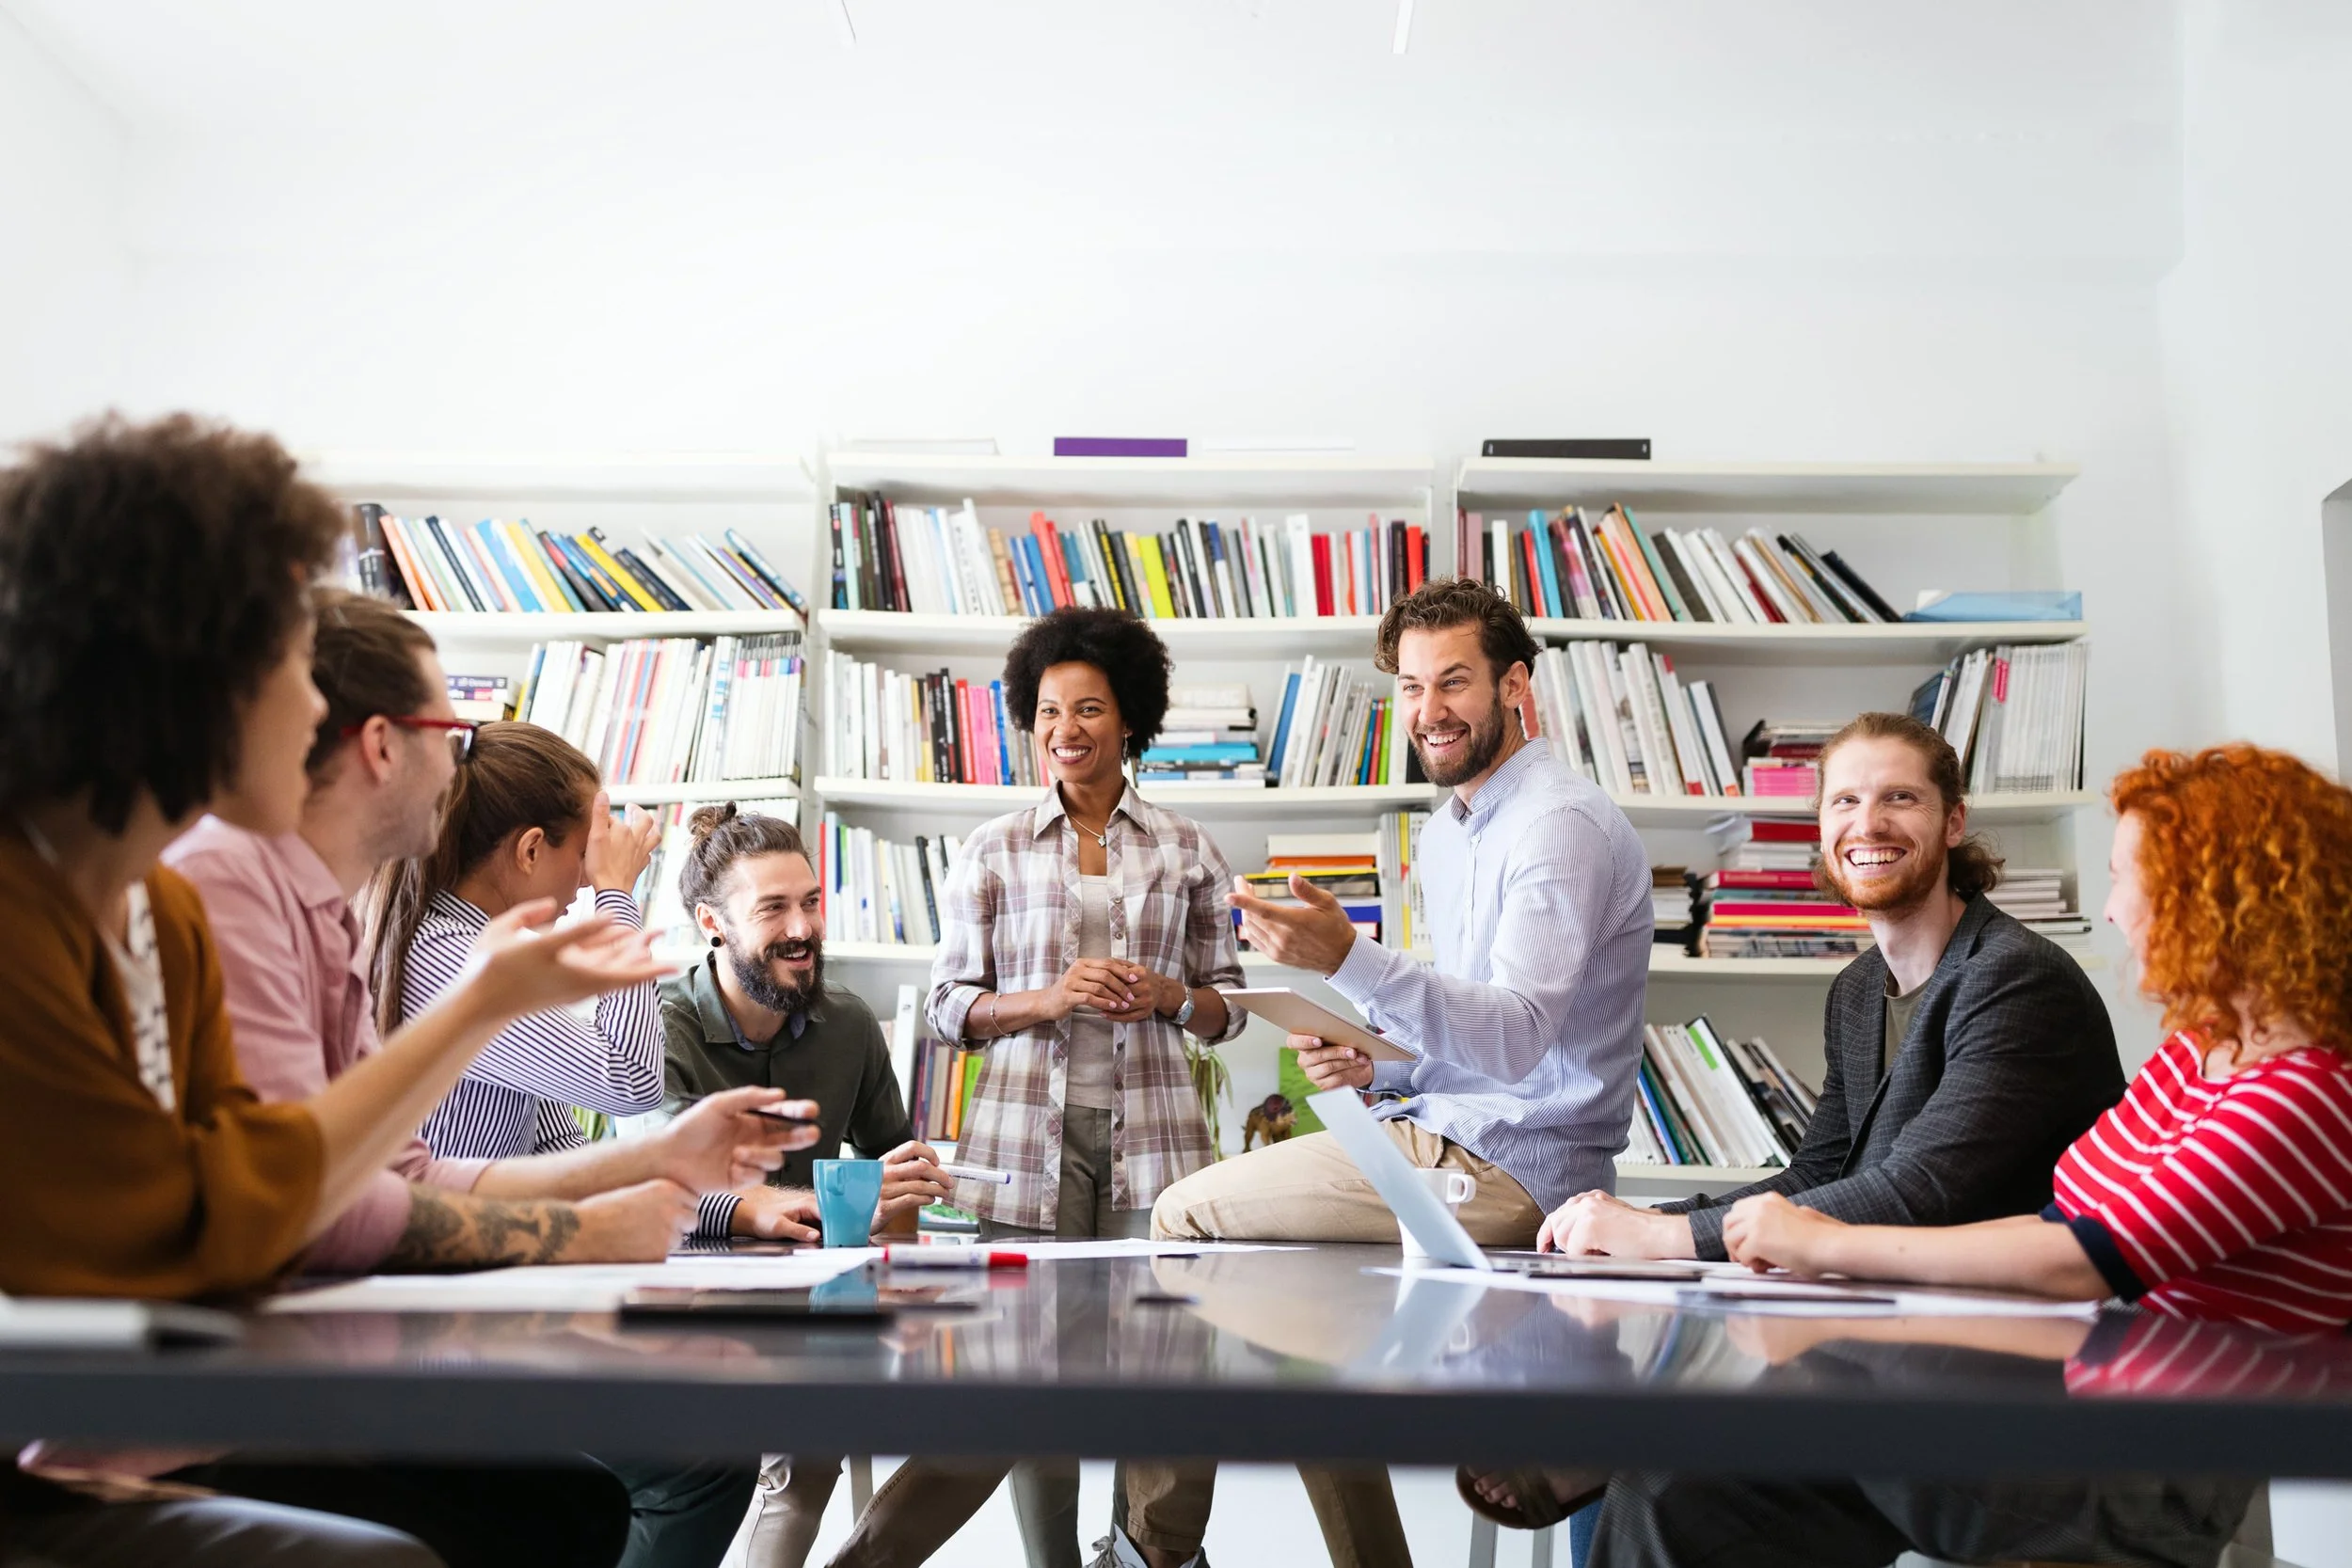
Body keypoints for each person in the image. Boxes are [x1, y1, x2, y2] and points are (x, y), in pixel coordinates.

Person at [0, 414, 668, 1567]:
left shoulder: (158, 917)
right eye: (278, 660)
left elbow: (258, 1208)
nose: (310, 707)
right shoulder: (37, 914)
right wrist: (478, 1010)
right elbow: (207, 1225)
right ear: (177, 673)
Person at [163, 590, 822, 1568]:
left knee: (592, 1492)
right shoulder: (275, 899)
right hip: (251, 1387)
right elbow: (313, 1203)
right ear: (382, 743)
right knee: (597, 1490)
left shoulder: (333, 919)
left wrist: (674, 1167)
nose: (462, 756)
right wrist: (594, 1218)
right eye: (454, 723)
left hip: (339, 1340)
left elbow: (405, 1174)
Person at [1590, 741, 2352, 1568]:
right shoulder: (2195, 1053)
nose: (2113, 907)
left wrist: (1818, 1241)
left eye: (2130, 877)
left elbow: (2083, 1255)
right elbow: (2063, 1214)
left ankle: (1585, 1444)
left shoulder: (2305, 1096)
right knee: (1677, 1488)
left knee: (1801, 1372)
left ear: (2215, 895)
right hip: (2073, 1388)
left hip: (2148, 1466)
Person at [1462, 710, 2127, 1531]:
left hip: (1995, 1387)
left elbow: (1919, 1191)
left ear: (1954, 822)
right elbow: (1818, 1176)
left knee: (1661, 1483)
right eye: (1844, 801)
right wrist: (1636, 1222)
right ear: (1820, 829)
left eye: (1900, 799)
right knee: (1647, 1451)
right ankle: (1605, 1449)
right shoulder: (1858, 990)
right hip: (1879, 1343)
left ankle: (1604, 1453)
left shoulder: (2018, 981)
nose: (1868, 824)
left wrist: (1668, 1240)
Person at [1103, 578, 1648, 1568]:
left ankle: (1152, 1551)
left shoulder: (1558, 822)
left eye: (1454, 682)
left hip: (1508, 1167)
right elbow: (1473, 1033)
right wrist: (1378, 1063)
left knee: (1182, 1218)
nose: (1429, 710)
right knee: (1297, 1311)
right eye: (1409, 685)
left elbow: (1522, 1038)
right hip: (1448, 1132)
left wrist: (1347, 960)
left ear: (1513, 683)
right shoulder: (1450, 831)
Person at [824, 606, 1261, 1568]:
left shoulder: (1186, 845)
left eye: (1090, 707)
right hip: (1023, 1148)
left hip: (1155, 1147)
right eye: (1049, 709)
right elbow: (945, 1006)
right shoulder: (994, 847)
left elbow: (1231, 1004)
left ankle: (1141, 1554)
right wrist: (1048, 996)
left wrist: (1168, 996)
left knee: (1163, 1370)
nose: (1067, 728)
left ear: (1129, 719)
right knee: (1030, 1375)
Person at [650, 801, 950, 1568]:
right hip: (686, 1304)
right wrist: (798, 1209)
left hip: (819, 1304)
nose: (803, 927)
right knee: (802, 1443)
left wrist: (901, 1220)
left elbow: (893, 1170)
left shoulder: (847, 1023)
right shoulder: (658, 1022)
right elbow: (660, 1186)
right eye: (774, 908)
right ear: (712, 922)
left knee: (1005, 1410)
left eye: (812, 902)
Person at [368, 721, 668, 1163]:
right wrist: (618, 894)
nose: (588, 880)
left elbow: (556, 1150)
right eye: (585, 855)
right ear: (530, 851)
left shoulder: (477, 948)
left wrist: (726, 1207)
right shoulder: (449, 959)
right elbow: (631, 1080)